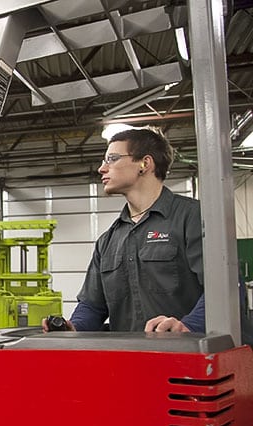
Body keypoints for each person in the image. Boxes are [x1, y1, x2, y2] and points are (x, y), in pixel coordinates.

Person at [42, 127, 205, 333]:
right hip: (130, 359)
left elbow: (225, 289)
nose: (102, 168)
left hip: (188, 356)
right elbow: (92, 306)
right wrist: (72, 329)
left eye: (112, 158)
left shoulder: (193, 217)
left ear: (144, 164)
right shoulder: (108, 240)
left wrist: (189, 325)